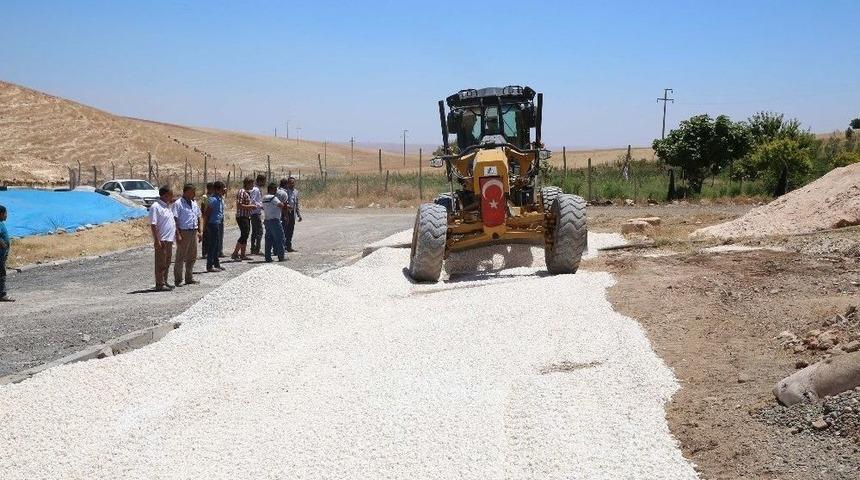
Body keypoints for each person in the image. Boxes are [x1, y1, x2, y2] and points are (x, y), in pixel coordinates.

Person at [172, 183, 202, 286]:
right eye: (192, 191)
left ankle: (189, 278)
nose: (194, 193)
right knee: (180, 256)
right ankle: (178, 280)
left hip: (193, 231)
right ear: (186, 192)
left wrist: (199, 231)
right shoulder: (178, 204)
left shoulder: (194, 203)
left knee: (192, 256)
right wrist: (178, 234)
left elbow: (198, 217)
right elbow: (175, 219)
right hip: (183, 231)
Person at [149, 186, 176, 291]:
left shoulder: (167, 206)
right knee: (160, 263)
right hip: (162, 239)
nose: (172, 197)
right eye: (170, 194)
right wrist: (157, 240)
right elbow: (153, 225)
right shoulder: (156, 207)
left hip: (169, 239)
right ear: (165, 195)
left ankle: (165, 281)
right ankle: (159, 284)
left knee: (167, 262)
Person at [261, 182, 288, 262]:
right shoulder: (273, 198)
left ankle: (268, 257)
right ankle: (281, 256)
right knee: (280, 238)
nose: (276, 191)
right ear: (272, 189)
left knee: (269, 239)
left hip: (267, 220)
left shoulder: (264, 197)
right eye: (275, 189)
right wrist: (285, 204)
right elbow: (281, 205)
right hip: (275, 220)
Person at [231, 177, 255, 261]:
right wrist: (251, 206)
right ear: (247, 183)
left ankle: (243, 255)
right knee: (244, 234)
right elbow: (239, 205)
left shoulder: (247, 192)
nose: (253, 185)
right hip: (242, 216)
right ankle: (235, 253)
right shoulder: (242, 192)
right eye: (252, 183)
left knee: (246, 234)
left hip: (246, 216)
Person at [203, 181, 225, 272]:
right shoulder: (213, 199)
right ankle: (209, 265)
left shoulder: (219, 198)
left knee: (216, 244)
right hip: (212, 224)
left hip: (218, 223)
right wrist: (205, 225)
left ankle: (216, 263)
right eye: (222, 189)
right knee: (212, 245)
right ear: (217, 189)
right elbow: (207, 213)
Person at [283, 176, 303, 253]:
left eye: (293, 182)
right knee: (285, 230)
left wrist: (299, 214)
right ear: (287, 183)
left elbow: (296, 204)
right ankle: (283, 246)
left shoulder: (296, 192)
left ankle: (289, 246)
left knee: (290, 230)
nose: (292, 184)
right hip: (286, 213)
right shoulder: (285, 191)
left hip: (292, 214)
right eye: (290, 182)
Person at [249, 174, 265, 255]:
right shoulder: (256, 190)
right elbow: (253, 201)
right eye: (263, 181)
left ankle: (253, 249)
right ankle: (257, 249)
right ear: (259, 181)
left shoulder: (256, 189)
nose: (264, 183)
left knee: (255, 231)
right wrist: (261, 206)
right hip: (255, 213)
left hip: (254, 213)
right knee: (259, 231)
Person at [0, 205, 13, 302]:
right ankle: (2, 294)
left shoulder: (1, 223)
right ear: (1, 214)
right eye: (5, 213)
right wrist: (3, 244)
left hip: (2, 254)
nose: (7, 216)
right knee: (2, 274)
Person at [200, 182, 214, 259]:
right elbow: (202, 207)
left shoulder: (213, 197)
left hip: (212, 217)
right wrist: (204, 215)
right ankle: (204, 252)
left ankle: (210, 251)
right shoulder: (205, 197)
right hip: (206, 217)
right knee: (206, 235)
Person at [218, 182, 228, 258]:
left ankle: (220, 251)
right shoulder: (215, 199)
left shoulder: (222, 198)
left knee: (221, 236)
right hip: (216, 221)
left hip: (221, 219)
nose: (225, 190)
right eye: (224, 188)